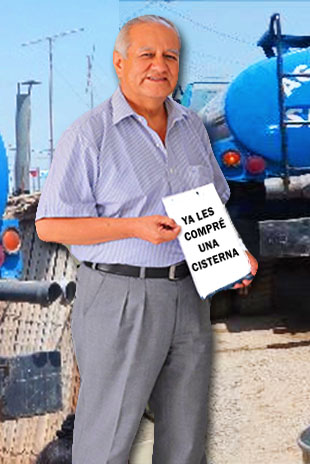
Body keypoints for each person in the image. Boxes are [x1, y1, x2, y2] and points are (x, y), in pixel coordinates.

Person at [34, 15, 257, 463]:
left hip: (188, 296)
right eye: (147, 55)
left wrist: (233, 256)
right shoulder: (89, 134)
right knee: (106, 442)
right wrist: (133, 227)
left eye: (170, 56)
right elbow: (50, 225)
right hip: (119, 297)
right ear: (120, 63)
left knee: (185, 442)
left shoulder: (192, 127)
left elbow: (211, 202)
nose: (160, 65)